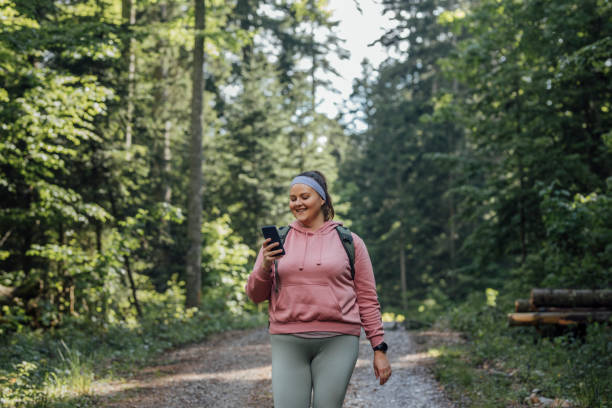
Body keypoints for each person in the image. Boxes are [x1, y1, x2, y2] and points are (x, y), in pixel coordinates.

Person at [245, 170, 392, 408]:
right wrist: (264, 266)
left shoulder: (350, 242)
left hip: (339, 341)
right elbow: (255, 295)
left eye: (305, 196)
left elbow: (367, 298)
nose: (297, 203)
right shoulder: (277, 241)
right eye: (293, 199)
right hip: (287, 340)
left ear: (322, 199)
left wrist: (379, 348)